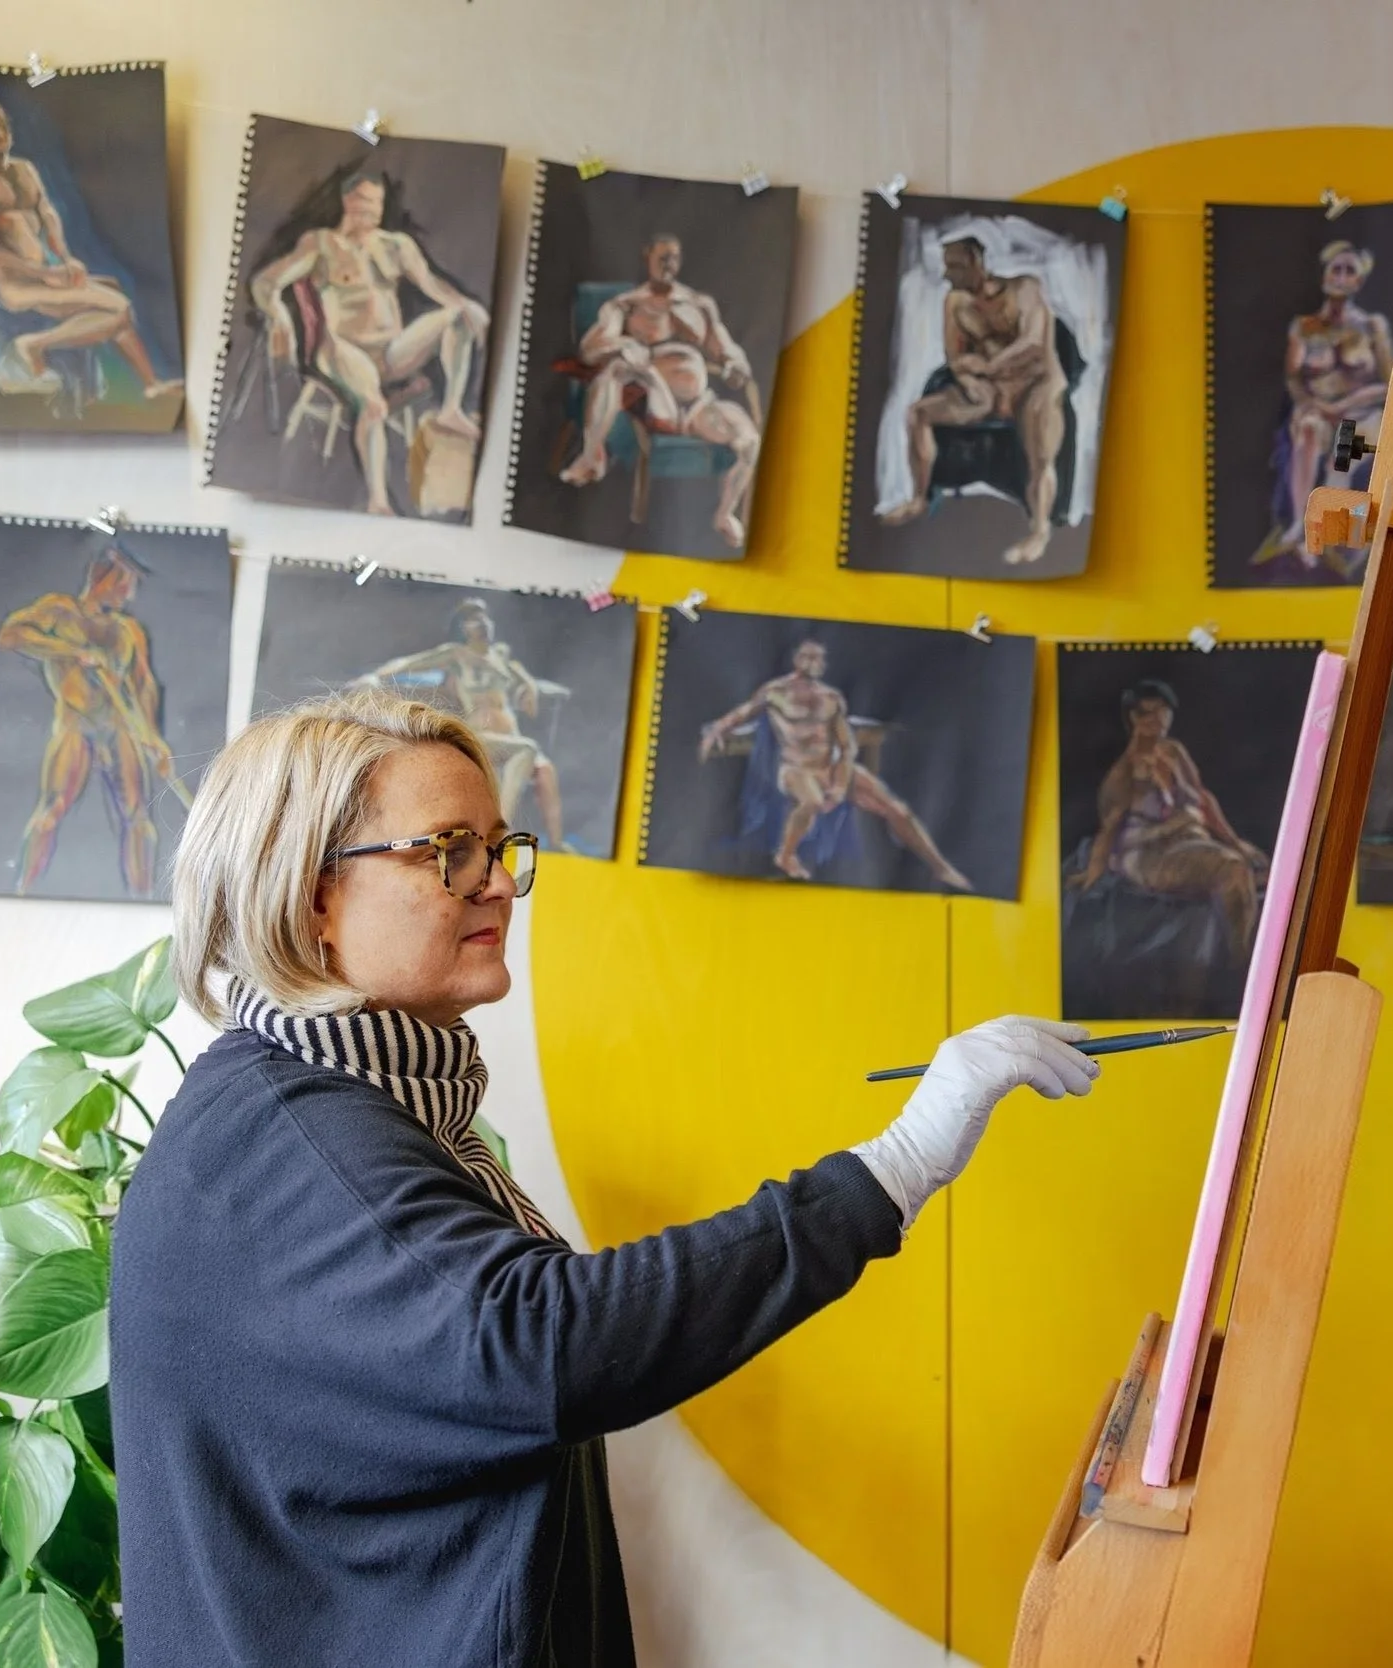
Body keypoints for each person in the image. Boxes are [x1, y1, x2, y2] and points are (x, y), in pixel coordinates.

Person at [115, 689, 1095, 1667]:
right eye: (449, 850)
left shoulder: (339, 1102)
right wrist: (896, 1167)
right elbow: (537, 1343)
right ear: (310, 898)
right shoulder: (294, 1138)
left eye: (499, 848)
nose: (500, 884)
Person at [250, 172, 491, 515]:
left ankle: (451, 409)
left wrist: (467, 306)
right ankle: (378, 500)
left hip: (392, 352)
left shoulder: (396, 245)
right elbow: (265, 282)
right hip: (343, 349)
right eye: (366, 201)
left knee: (458, 316)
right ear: (347, 201)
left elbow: (433, 286)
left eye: (378, 203)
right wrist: (280, 318)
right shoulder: (322, 244)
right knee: (374, 406)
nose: (374, 210)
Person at [0, 94, 180, 403]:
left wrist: (67, 261)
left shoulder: (23, 169)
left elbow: (49, 217)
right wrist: (45, 272)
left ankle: (150, 384)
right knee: (119, 308)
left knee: (113, 290)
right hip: (16, 286)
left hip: (48, 276)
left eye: (2, 124)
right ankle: (34, 344)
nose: (0, 133)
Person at [698, 639, 974, 889]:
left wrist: (840, 784)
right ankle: (786, 855)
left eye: (818, 658)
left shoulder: (830, 698)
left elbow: (846, 746)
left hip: (830, 767)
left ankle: (940, 867)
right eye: (808, 657)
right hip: (796, 769)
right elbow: (742, 713)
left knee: (899, 810)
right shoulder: (775, 691)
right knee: (812, 801)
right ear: (797, 660)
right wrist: (716, 731)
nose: (813, 663)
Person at [0, 543, 187, 896]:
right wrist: (74, 651)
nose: (129, 593)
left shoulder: (128, 632)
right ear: (101, 576)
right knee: (51, 809)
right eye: (125, 582)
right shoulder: (61, 611)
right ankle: (22, 890)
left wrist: (153, 737)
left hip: (120, 726)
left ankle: (142, 898)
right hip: (76, 722)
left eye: (133, 585)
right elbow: (10, 635)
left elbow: (143, 685)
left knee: (139, 819)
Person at [557, 233, 763, 546]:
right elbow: (590, 350)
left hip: (697, 406)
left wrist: (736, 364)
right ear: (647, 258)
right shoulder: (627, 305)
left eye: (674, 258)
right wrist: (622, 343)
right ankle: (590, 457)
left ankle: (724, 514)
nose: (669, 265)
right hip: (654, 395)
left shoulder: (699, 304)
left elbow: (726, 347)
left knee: (749, 439)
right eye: (663, 258)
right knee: (616, 370)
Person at [879, 234, 1069, 565]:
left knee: (1041, 456)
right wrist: (972, 383)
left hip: (1035, 384)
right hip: (988, 389)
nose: (947, 274)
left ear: (977, 262)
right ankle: (919, 497)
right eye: (946, 266)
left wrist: (990, 367)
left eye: (955, 266)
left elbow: (1034, 344)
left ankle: (1039, 531)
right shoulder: (955, 302)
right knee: (917, 415)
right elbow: (956, 359)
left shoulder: (1025, 288)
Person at [1070, 680, 1268, 958]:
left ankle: (1248, 953)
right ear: (1133, 717)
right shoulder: (1123, 774)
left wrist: (1235, 842)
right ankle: (1243, 959)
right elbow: (1110, 828)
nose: (1157, 719)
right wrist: (1093, 872)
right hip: (1148, 854)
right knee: (1233, 869)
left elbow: (1202, 799)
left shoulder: (1173, 751)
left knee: (1261, 868)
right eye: (1147, 712)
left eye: (1162, 711)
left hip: (1189, 840)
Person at [357, 597, 570, 850]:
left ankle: (557, 843)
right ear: (464, 628)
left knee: (545, 770)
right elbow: (409, 663)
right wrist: (376, 675)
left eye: (483, 618)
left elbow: (524, 683)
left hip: (511, 736)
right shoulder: (456, 654)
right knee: (527, 749)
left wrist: (529, 687)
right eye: (473, 620)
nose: (481, 623)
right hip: (483, 737)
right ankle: (502, 828)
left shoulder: (501, 656)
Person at [1256, 240, 1393, 571]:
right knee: (1307, 430)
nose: (1341, 277)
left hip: (1359, 417)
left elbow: (1391, 382)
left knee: (1341, 459)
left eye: (1349, 271)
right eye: (1336, 269)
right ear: (1324, 276)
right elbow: (1293, 378)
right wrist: (1310, 404)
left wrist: (1346, 404)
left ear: (1358, 281)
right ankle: (1300, 524)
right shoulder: (1304, 328)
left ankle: (1329, 537)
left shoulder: (1372, 326)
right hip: (1319, 412)